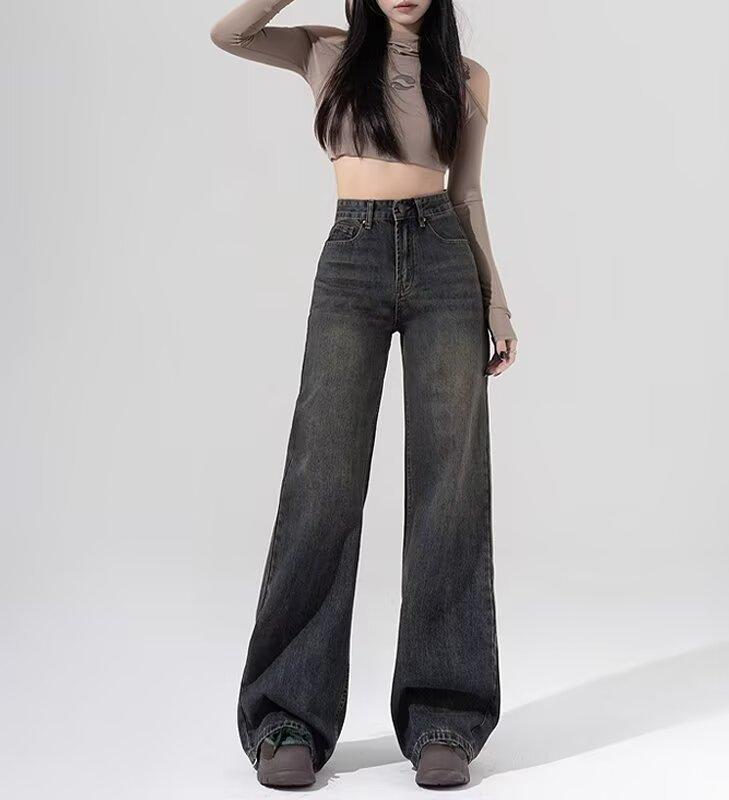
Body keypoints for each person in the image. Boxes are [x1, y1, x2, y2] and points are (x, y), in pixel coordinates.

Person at [209, 0, 518, 789]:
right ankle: (287, 714)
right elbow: (231, 33)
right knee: (323, 481)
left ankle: (445, 714)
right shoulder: (325, 52)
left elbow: (467, 192)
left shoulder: (466, 76)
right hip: (351, 260)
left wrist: (496, 300)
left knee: (449, 488)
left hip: (444, 261)